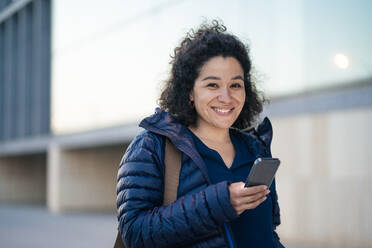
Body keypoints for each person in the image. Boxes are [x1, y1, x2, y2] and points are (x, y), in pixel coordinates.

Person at [116, 20, 284, 248]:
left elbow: (267, 232)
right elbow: (135, 233)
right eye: (212, 85)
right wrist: (220, 202)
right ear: (190, 92)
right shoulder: (153, 145)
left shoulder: (255, 148)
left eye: (235, 85)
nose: (226, 97)